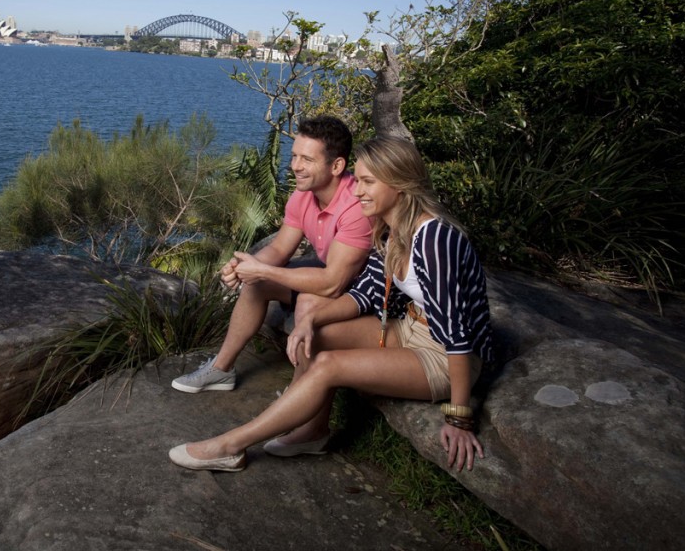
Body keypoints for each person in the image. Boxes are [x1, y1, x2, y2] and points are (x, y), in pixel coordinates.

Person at [169, 136, 494, 473]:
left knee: (327, 366)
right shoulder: (389, 228)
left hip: (446, 357)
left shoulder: (435, 239)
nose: (357, 191)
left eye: (368, 182)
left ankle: (229, 446)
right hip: (407, 328)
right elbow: (365, 293)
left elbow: (458, 336)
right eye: (359, 180)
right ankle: (312, 432)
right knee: (315, 336)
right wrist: (311, 321)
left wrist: (460, 419)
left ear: (400, 184)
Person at [171, 116, 373, 393]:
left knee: (306, 302)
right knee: (258, 284)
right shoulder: (304, 195)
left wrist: (262, 270)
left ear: (337, 165)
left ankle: (298, 394)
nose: (296, 167)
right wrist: (243, 267)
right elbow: (279, 249)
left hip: (364, 288)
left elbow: (333, 282)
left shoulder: (356, 206)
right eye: (294, 156)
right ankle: (221, 369)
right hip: (332, 271)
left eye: (307, 160)